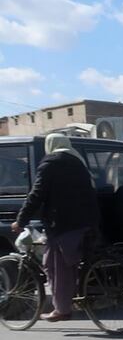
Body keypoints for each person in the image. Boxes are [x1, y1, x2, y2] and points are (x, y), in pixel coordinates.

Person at [11, 134, 100, 322]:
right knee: (69, 263)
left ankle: (61, 309)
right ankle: (74, 296)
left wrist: (21, 220)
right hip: (88, 222)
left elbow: (36, 194)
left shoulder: (50, 164)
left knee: (54, 265)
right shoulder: (79, 162)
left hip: (64, 224)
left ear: (50, 146)